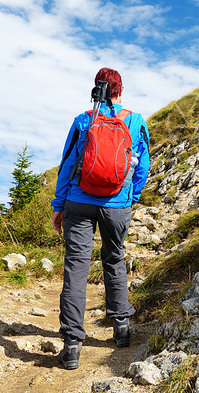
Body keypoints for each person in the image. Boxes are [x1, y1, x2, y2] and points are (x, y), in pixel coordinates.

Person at [51, 67, 150, 370]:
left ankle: (71, 346)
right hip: (116, 204)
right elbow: (142, 165)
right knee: (114, 259)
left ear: (97, 89)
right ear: (120, 90)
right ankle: (121, 328)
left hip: (79, 203)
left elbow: (68, 163)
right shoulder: (134, 120)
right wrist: (130, 198)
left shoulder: (84, 119)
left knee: (76, 269)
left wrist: (59, 205)